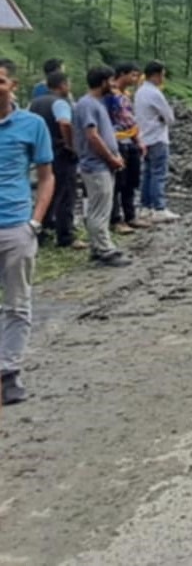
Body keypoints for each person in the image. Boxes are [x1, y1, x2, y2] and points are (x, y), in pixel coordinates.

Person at [0, 57, 56, 405]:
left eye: (0, 80)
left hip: (16, 226)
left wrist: (35, 222)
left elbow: (47, 176)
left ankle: (9, 372)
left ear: (12, 86)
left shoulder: (32, 124)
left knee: (17, 304)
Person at [75, 66, 127, 268]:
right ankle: (105, 250)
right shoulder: (88, 104)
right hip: (97, 165)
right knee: (99, 210)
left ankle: (98, 248)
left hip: (101, 164)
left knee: (101, 208)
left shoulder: (94, 103)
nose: (114, 85)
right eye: (112, 81)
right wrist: (110, 158)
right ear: (104, 81)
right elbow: (92, 136)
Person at [28, 71, 82, 251]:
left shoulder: (35, 103)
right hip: (60, 152)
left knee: (47, 193)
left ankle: (41, 232)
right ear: (62, 85)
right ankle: (65, 236)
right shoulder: (60, 102)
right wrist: (71, 145)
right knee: (66, 194)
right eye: (68, 83)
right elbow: (64, 123)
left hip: (42, 153)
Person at [106, 63, 148, 233]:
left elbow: (130, 119)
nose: (135, 79)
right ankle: (115, 219)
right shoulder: (109, 95)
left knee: (131, 181)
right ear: (122, 74)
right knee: (117, 183)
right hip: (116, 141)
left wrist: (138, 140)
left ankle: (131, 215)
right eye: (133, 75)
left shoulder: (126, 95)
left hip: (130, 140)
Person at [134, 61, 177, 223]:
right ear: (157, 75)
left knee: (148, 174)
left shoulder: (140, 92)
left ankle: (145, 207)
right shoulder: (155, 93)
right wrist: (162, 119)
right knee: (159, 173)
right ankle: (159, 207)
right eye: (163, 75)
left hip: (144, 137)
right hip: (158, 137)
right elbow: (170, 118)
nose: (163, 78)